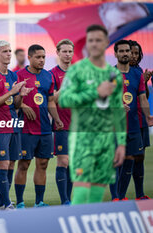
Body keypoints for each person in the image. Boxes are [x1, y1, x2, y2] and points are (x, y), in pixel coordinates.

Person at [58, 25, 126, 204]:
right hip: (82, 139)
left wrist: (121, 143)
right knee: (81, 193)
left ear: (106, 42)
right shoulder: (77, 70)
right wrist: (96, 92)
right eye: (90, 40)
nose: (94, 44)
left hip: (105, 140)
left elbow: (118, 111)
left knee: (97, 195)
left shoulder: (113, 75)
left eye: (98, 40)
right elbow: (64, 100)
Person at [14, 44, 63, 208]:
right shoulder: (18, 75)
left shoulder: (48, 76)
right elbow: (12, 102)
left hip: (45, 128)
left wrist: (56, 119)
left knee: (43, 164)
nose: (42, 60)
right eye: (38, 57)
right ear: (29, 57)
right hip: (26, 129)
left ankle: (39, 202)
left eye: (43, 57)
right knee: (24, 164)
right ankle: (20, 202)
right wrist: (22, 105)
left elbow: (50, 101)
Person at [0, 40, 29, 210]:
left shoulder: (13, 75)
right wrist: (11, 92)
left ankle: (2, 203)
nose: (9, 54)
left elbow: (15, 105)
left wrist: (21, 95)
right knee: (2, 163)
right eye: (5, 51)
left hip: (13, 123)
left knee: (11, 163)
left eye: (10, 51)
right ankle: (6, 202)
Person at [110, 40, 153, 201]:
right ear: (115, 54)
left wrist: (148, 116)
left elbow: (142, 99)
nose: (125, 53)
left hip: (134, 127)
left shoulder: (137, 74)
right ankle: (115, 197)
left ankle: (121, 198)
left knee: (130, 162)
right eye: (121, 51)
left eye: (127, 50)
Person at [50, 39, 74, 205]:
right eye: (64, 51)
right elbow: (51, 99)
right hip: (61, 124)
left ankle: (68, 200)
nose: (67, 54)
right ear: (58, 53)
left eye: (70, 51)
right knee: (63, 161)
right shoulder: (52, 74)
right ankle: (64, 200)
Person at [129, 40, 152, 200]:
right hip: (126, 122)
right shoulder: (117, 72)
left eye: (137, 53)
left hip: (140, 121)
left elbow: (145, 97)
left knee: (140, 157)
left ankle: (139, 194)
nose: (134, 56)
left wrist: (145, 81)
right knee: (124, 159)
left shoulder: (138, 71)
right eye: (132, 52)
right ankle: (118, 195)